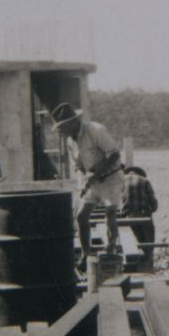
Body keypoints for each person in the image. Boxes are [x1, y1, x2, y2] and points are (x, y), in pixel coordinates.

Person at [51, 103, 124, 271]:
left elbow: (114, 154)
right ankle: (86, 255)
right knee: (81, 216)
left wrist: (96, 174)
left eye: (62, 127)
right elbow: (78, 166)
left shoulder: (95, 130)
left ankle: (110, 252)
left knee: (110, 212)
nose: (61, 131)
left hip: (110, 179)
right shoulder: (70, 142)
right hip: (92, 182)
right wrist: (82, 182)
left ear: (72, 122)